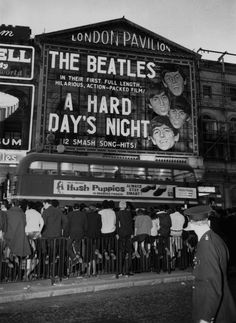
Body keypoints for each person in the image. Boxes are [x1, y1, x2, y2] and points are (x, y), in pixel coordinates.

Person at [184, 205, 236, 323]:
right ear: (207, 221)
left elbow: (210, 282)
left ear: (190, 223)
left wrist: (205, 317)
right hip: (222, 306)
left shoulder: (206, 245)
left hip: (213, 311)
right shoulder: (215, 238)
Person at [116, 200, 134, 277]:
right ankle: (127, 271)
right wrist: (132, 233)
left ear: (120, 206)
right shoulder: (129, 213)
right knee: (128, 252)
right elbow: (131, 224)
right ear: (125, 206)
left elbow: (117, 224)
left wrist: (117, 233)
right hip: (129, 234)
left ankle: (120, 271)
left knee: (121, 252)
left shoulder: (118, 214)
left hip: (121, 234)